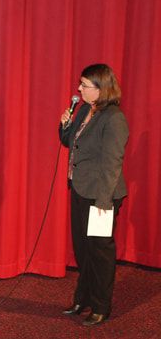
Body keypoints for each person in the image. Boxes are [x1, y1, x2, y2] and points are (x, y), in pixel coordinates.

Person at [59, 64, 129, 326]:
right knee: (82, 249)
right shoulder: (86, 110)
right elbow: (70, 143)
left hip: (101, 195)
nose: (79, 89)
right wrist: (64, 126)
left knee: (100, 253)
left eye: (84, 85)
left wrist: (103, 202)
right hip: (80, 189)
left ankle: (101, 306)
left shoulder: (114, 118)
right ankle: (83, 298)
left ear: (100, 90)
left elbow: (113, 163)